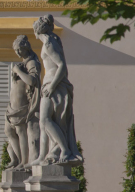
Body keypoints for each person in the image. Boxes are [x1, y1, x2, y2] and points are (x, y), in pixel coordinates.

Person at [30, 14, 82, 165]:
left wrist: (52, 86)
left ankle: (64, 149)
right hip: (51, 85)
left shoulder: (48, 44)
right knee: (44, 122)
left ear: (37, 31)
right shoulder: (51, 41)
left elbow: (61, 66)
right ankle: (45, 155)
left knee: (45, 120)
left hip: (55, 86)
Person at [5, 35, 42, 169]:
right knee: (8, 131)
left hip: (23, 106)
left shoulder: (32, 63)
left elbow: (32, 81)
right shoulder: (24, 63)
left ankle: (23, 161)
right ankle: (16, 159)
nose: (17, 52)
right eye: (15, 50)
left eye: (19, 49)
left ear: (26, 47)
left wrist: (18, 71)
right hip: (13, 106)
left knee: (21, 132)